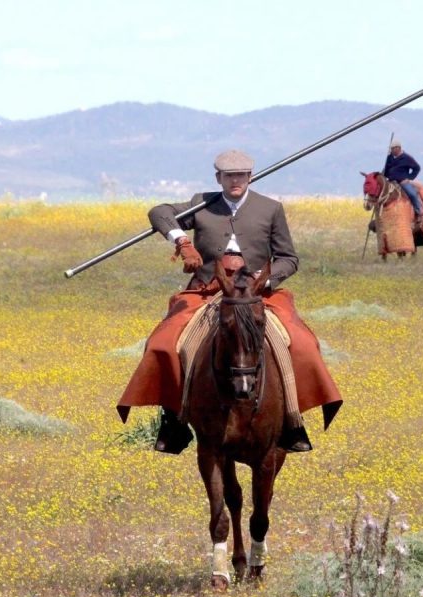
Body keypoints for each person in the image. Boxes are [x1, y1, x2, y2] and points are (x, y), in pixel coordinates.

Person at [116, 149, 343, 454]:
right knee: (163, 342)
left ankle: (292, 420)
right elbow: (159, 212)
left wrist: (268, 278)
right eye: (229, 176)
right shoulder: (201, 203)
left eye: (241, 175)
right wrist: (182, 241)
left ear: (250, 176)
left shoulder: (270, 208)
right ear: (218, 178)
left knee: (302, 343)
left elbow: (289, 258)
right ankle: (174, 421)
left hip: (257, 293)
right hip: (207, 290)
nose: (235, 181)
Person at [383, 140, 423, 219]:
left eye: (392, 149)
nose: (391, 150)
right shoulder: (389, 157)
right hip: (390, 181)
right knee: (380, 194)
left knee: (412, 193)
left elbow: (417, 168)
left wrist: (409, 178)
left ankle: (419, 211)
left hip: (402, 181)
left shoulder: (407, 158)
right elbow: (386, 168)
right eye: (390, 149)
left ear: (398, 148)